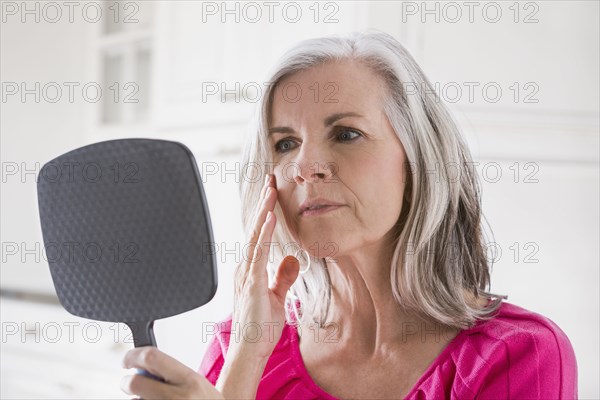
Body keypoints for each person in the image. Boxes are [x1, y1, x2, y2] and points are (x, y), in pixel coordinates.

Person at [120, 30, 578, 399]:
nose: (304, 166)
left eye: (345, 133)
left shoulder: (519, 355)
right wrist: (244, 359)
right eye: (284, 144)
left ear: (418, 157)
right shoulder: (241, 343)